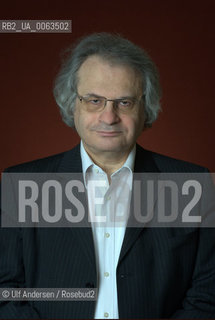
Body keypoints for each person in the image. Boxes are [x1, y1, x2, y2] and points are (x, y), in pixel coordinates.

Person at [0, 32, 215, 319]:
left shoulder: (192, 185)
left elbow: (206, 296)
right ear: (71, 104)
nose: (109, 116)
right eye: (94, 100)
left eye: (124, 102)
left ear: (145, 107)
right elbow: (7, 291)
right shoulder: (20, 186)